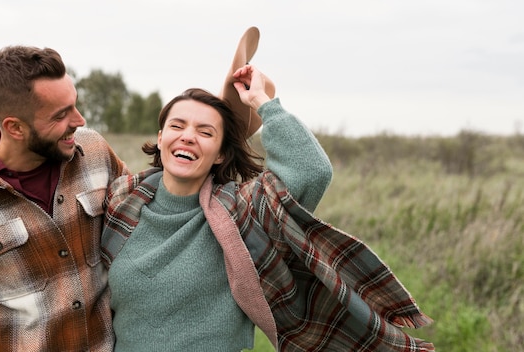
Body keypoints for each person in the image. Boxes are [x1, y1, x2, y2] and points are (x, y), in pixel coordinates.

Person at [101, 28, 434, 351]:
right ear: (161, 139)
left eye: (205, 132)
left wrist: (262, 100)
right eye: (177, 125)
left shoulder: (240, 210)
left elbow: (312, 170)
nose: (187, 136)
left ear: (220, 154)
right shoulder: (121, 199)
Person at [0, 45, 128, 351]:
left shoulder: (95, 153)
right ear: (15, 127)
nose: (79, 120)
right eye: (60, 115)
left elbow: (151, 216)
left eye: (75, 104)